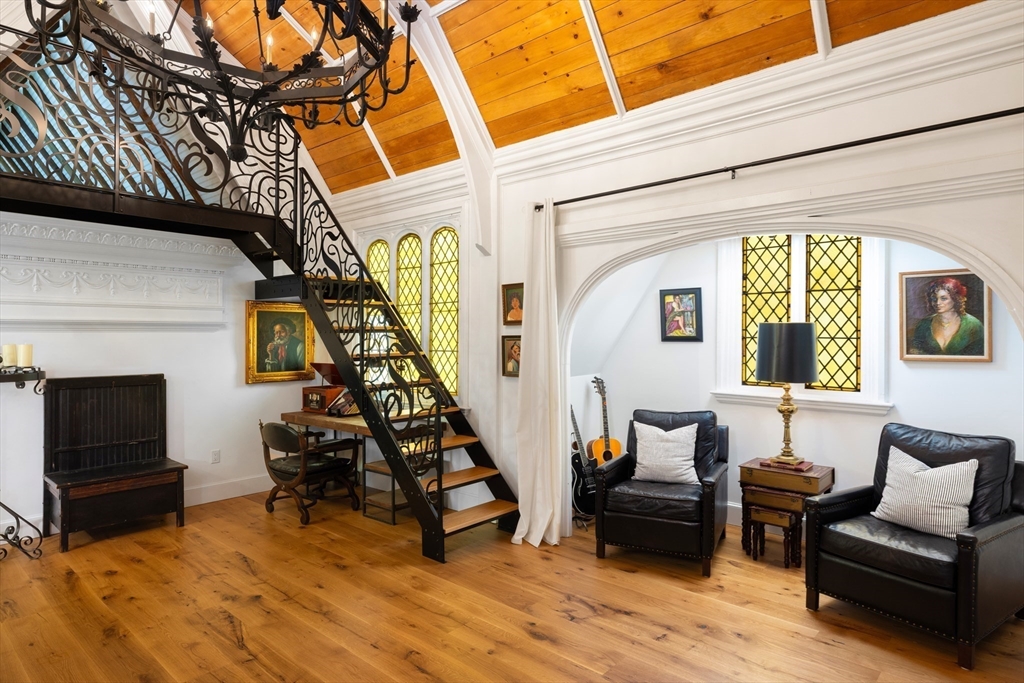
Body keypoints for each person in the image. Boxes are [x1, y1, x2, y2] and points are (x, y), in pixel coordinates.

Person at [909, 277, 984, 356]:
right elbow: (915, 353)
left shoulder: (973, 325)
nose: (938, 303)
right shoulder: (923, 325)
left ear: (955, 299)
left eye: (943, 298)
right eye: (934, 298)